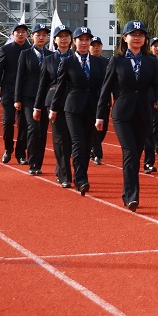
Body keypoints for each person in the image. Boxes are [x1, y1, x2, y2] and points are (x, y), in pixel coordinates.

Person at [96, 21, 158, 210]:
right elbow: (106, 89)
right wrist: (100, 116)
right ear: (125, 38)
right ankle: (132, 196)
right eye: (133, 34)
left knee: (137, 154)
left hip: (144, 112)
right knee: (130, 152)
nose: (137, 38)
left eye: (141, 35)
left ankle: (127, 191)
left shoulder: (151, 61)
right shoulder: (116, 60)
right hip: (122, 113)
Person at [51, 27, 107, 197]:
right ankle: (81, 179)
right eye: (80, 39)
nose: (84, 43)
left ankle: (81, 174)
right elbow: (60, 87)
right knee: (77, 142)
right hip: (73, 108)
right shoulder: (67, 62)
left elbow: (104, 88)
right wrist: (53, 108)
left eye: (87, 40)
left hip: (92, 107)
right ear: (74, 42)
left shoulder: (100, 63)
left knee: (88, 144)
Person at [36, 25, 74, 187]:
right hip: (53, 102)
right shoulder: (48, 60)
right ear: (55, 40)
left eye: (67, 36)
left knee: (72, 139)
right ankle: (65, 175)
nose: (64, 39)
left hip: (73, 102)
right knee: (59, 139)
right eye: (60, 36)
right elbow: (42, 85)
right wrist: (37, 106)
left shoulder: (77, 58)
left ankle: (60, 168)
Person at [0, 21, 31, 164]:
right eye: (17, 32)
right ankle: (8, 149)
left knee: (24, 124)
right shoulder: (6, 50)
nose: (20, 34)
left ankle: (21, 153)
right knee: (7, 122)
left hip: (26, 92)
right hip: (8, 91)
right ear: (13, 34)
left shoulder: (31, 50)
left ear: (27, 34)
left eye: (23, 32)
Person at [15, 23, 52, 176]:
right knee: (33, 128)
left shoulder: (51, 55)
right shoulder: (25, 54)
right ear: (32, 36)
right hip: (29, 98)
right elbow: (20, 77)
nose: (41, 37)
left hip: (46, 98)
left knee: (42, 131)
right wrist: (17, 99)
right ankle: (31, 161)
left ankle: (38, 163)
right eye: (38, 34)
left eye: (44, 35)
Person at [142, 36, 158, 172]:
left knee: (151, 129)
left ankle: (149, 162)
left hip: (152, 101)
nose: (157, 48)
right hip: (133, 102)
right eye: (154, 45)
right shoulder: (123, 60)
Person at [89, 35, 108, 165]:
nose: (96, 48)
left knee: (104, 128)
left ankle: (92, 147)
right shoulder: (86, 62)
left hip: (104, 99)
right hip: (90, 100)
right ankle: (97, 153)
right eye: (93, 45)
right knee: (94, 127)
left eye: (98, 46)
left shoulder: (107, 62)